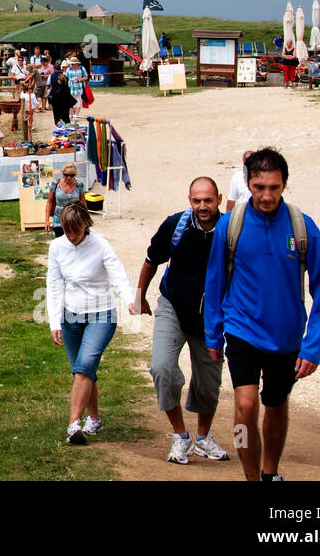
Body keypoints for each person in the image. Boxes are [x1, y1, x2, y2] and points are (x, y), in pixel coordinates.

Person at [204, 147, 320, 481]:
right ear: (247, 183)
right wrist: (213, 334)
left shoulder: (303, 227)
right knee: (246, 406)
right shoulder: (229, 227)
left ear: (284, 184)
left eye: (273, 187)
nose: (266, 195)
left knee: (276, 405)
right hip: (242, 329)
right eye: (259, 187)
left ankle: (269, 473)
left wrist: (312, 346)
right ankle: (250, 476)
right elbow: (215, 283)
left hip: (287, 336)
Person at [136, 177, 232, 465]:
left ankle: (203, 439)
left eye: (208, 200)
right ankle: (180, 436)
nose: (203, 206)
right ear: (189, 199)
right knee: (161, 368)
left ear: (219, 198)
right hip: (173, 306)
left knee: (208, 381)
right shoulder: (175, 225)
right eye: (197, 200)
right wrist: (140, 297)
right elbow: (151, 260)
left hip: (211, 317)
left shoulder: (230, 231)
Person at [47, 202, 136, 444]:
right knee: (84, 372)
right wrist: (54, 321)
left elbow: (118, 273)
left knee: (84, 365)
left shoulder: (100, 245)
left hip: (101, 313)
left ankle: (73, 425)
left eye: (76, 231)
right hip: (71, 316)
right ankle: (94, 418)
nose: (72, 237)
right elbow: (54, 286)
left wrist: (129, 299)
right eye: (67, 231)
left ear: (86, 225)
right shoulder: (57, 248)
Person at [45, 162, 84, 238]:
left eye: (72, 175)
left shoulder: (79, 185)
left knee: (73, 241)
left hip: (75, 219)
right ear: (63, 173)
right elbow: (49, 202)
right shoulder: (55, 183)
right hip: (58, 220)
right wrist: (47, 220)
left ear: (75, 175)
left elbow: (83, 203)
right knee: (60, 242)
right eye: (66, 175)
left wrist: (85, 220)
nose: (69, 177)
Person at [65, 56, 89, 121]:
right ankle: (70, 115)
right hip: (71, 88)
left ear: (76, 63)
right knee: (70, 103)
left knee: (78, 102)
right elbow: (65, 77)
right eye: (71, 64)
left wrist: (79, 79)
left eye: (73, 64)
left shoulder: (82, 68)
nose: (72, 65)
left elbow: (86, 77)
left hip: (79, 88)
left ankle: (76, 116)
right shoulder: (69, 69)